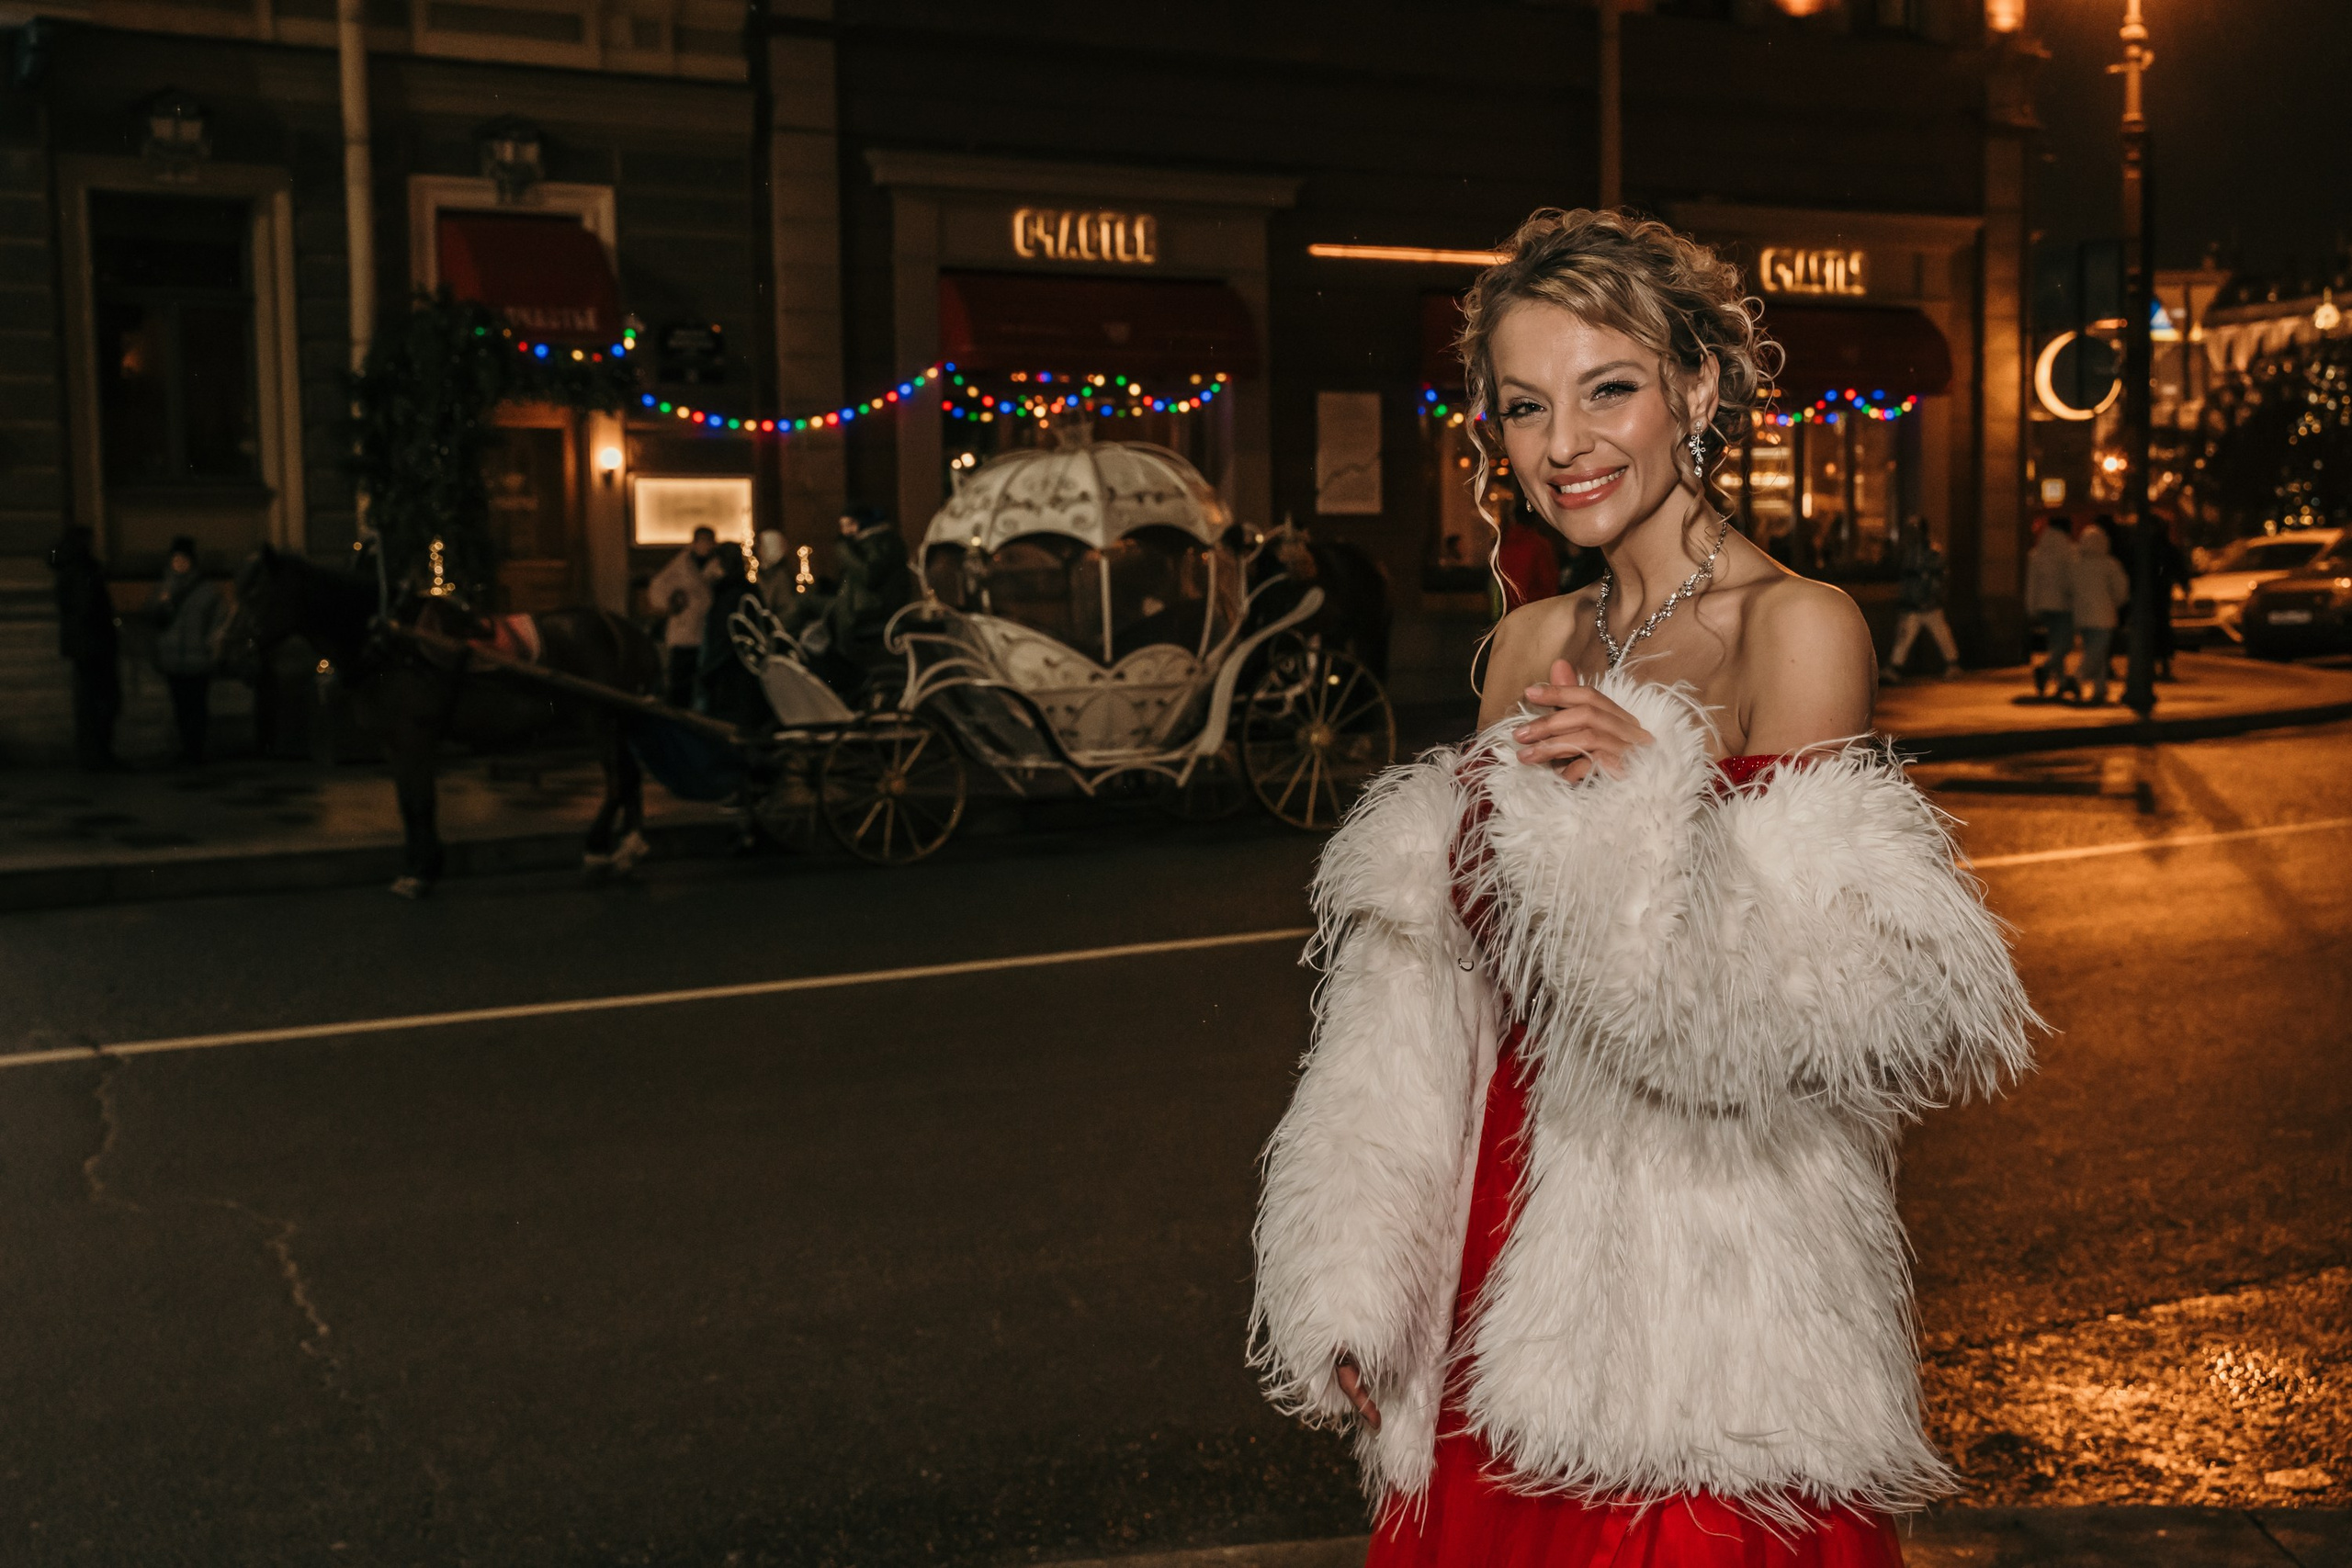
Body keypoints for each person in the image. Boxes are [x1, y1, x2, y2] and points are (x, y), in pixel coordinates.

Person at [1250, 209, 2038, 1568]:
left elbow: (1808, 1010)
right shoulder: (1526, 644)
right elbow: (1441, 1003)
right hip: (1497, 1253)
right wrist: (1368, 1268)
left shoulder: (1795, 627)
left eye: (1608, 387)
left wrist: (1643, 808)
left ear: (1698, 389)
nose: (1565, 444)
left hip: (1696, 1294)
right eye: (1524, 405)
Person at [149, 536, 227, 764]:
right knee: (181, 707)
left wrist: (209, 645)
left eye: (184, 559)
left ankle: (195, 750)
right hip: (173, 659)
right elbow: (153, 618)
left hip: (198, 659)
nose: (180, 563)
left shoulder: (207, 590)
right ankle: (186, 749)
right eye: (176, 559)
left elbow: (218, 621)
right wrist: (162, 603)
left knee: (197, 707)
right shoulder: (164, 586)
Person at [49, 524, 120, 771]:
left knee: (90, 702)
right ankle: (98, 756)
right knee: (102, 701)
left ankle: (93, 754)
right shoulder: (82, 570)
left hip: (84, 645)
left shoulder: (69, 567)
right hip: (94, 645)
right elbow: (87, 609)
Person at [694, 541, 766, 727]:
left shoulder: (729, 596)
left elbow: (723, 641)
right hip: (742, 681)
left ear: (721, 565)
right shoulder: (742, 591)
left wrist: (706, 674)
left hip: (730, 684)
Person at [1883, 514, 1961, 682]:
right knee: (1905, 636)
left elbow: (1938, 577)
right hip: (1912, 604)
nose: (1912, 535)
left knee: (1941, 634)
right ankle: (1895, 667)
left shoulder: (1932, 552)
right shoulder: (1908, 553)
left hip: (1929, 604)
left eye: (1915, 530)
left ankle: (1953, 664)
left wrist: (1933, 595)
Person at [650, 525, 720, 707]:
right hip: (685, 630)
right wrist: (672, 603)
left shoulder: (718, 564)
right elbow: (658, 588)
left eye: (709, 542)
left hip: (708, 630)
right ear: (695, 543)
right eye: (702, 541)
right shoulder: (681, 564)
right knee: (681, 678)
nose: (706, 546)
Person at [2069, 522, 2131, 706]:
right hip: (2103, 616)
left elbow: (2069, 588)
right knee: (2097, 653)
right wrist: (2116, 604)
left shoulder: (2076, 564)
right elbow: (2121, 590)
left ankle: (2100, 688)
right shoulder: (2109, 565)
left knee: (2094, 651)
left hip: (2082, 616)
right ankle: (2078, 678)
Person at [2025, 515, 2077, 700]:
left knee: (2055, 644)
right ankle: (2045, 669)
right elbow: (2072, 581)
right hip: (2064, 604)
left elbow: (2032, 582)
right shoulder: (2069, 552)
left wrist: (2031, 606)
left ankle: (2061, 683)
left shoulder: (2037, 553)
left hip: (2044, 605)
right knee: (2066, 644)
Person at [1492, 505, 1561, 611]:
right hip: (1535, 608)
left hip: (1510, 608)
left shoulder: (1504, 543)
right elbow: (1549, 581)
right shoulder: (1539, 544)